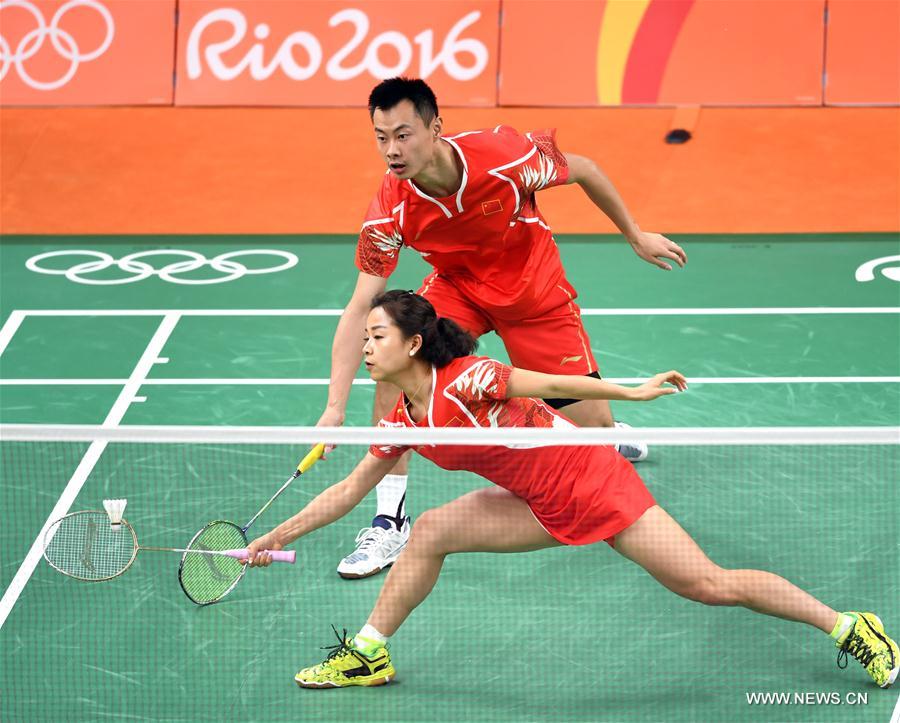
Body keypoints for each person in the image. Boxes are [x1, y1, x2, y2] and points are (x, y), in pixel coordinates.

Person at [251, 291, 899, 691]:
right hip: (536, 503)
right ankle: (368, 653)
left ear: (414, 343)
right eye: (364, 336)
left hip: (594, 483)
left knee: (707, 583)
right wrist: (276, 536)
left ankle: (848, 626)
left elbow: (549, 383)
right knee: (432, 532)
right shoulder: (402, 420)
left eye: (377, 336)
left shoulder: (470, 379)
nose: (365, 348)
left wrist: (632, 391)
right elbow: (349, 488)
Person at [318, 77, 689, 580]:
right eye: (381, 137)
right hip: (459, 290)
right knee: (395, 358)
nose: (392, 150)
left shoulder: (503, 157)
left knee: (594, 433)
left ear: (435, 128)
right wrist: (334, 406)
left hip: (534, 295)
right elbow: (361, 304)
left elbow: (585, 169)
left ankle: (605, 431)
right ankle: (391, 520)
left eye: (403, 135)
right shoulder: (391, 209)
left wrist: (635, 234)